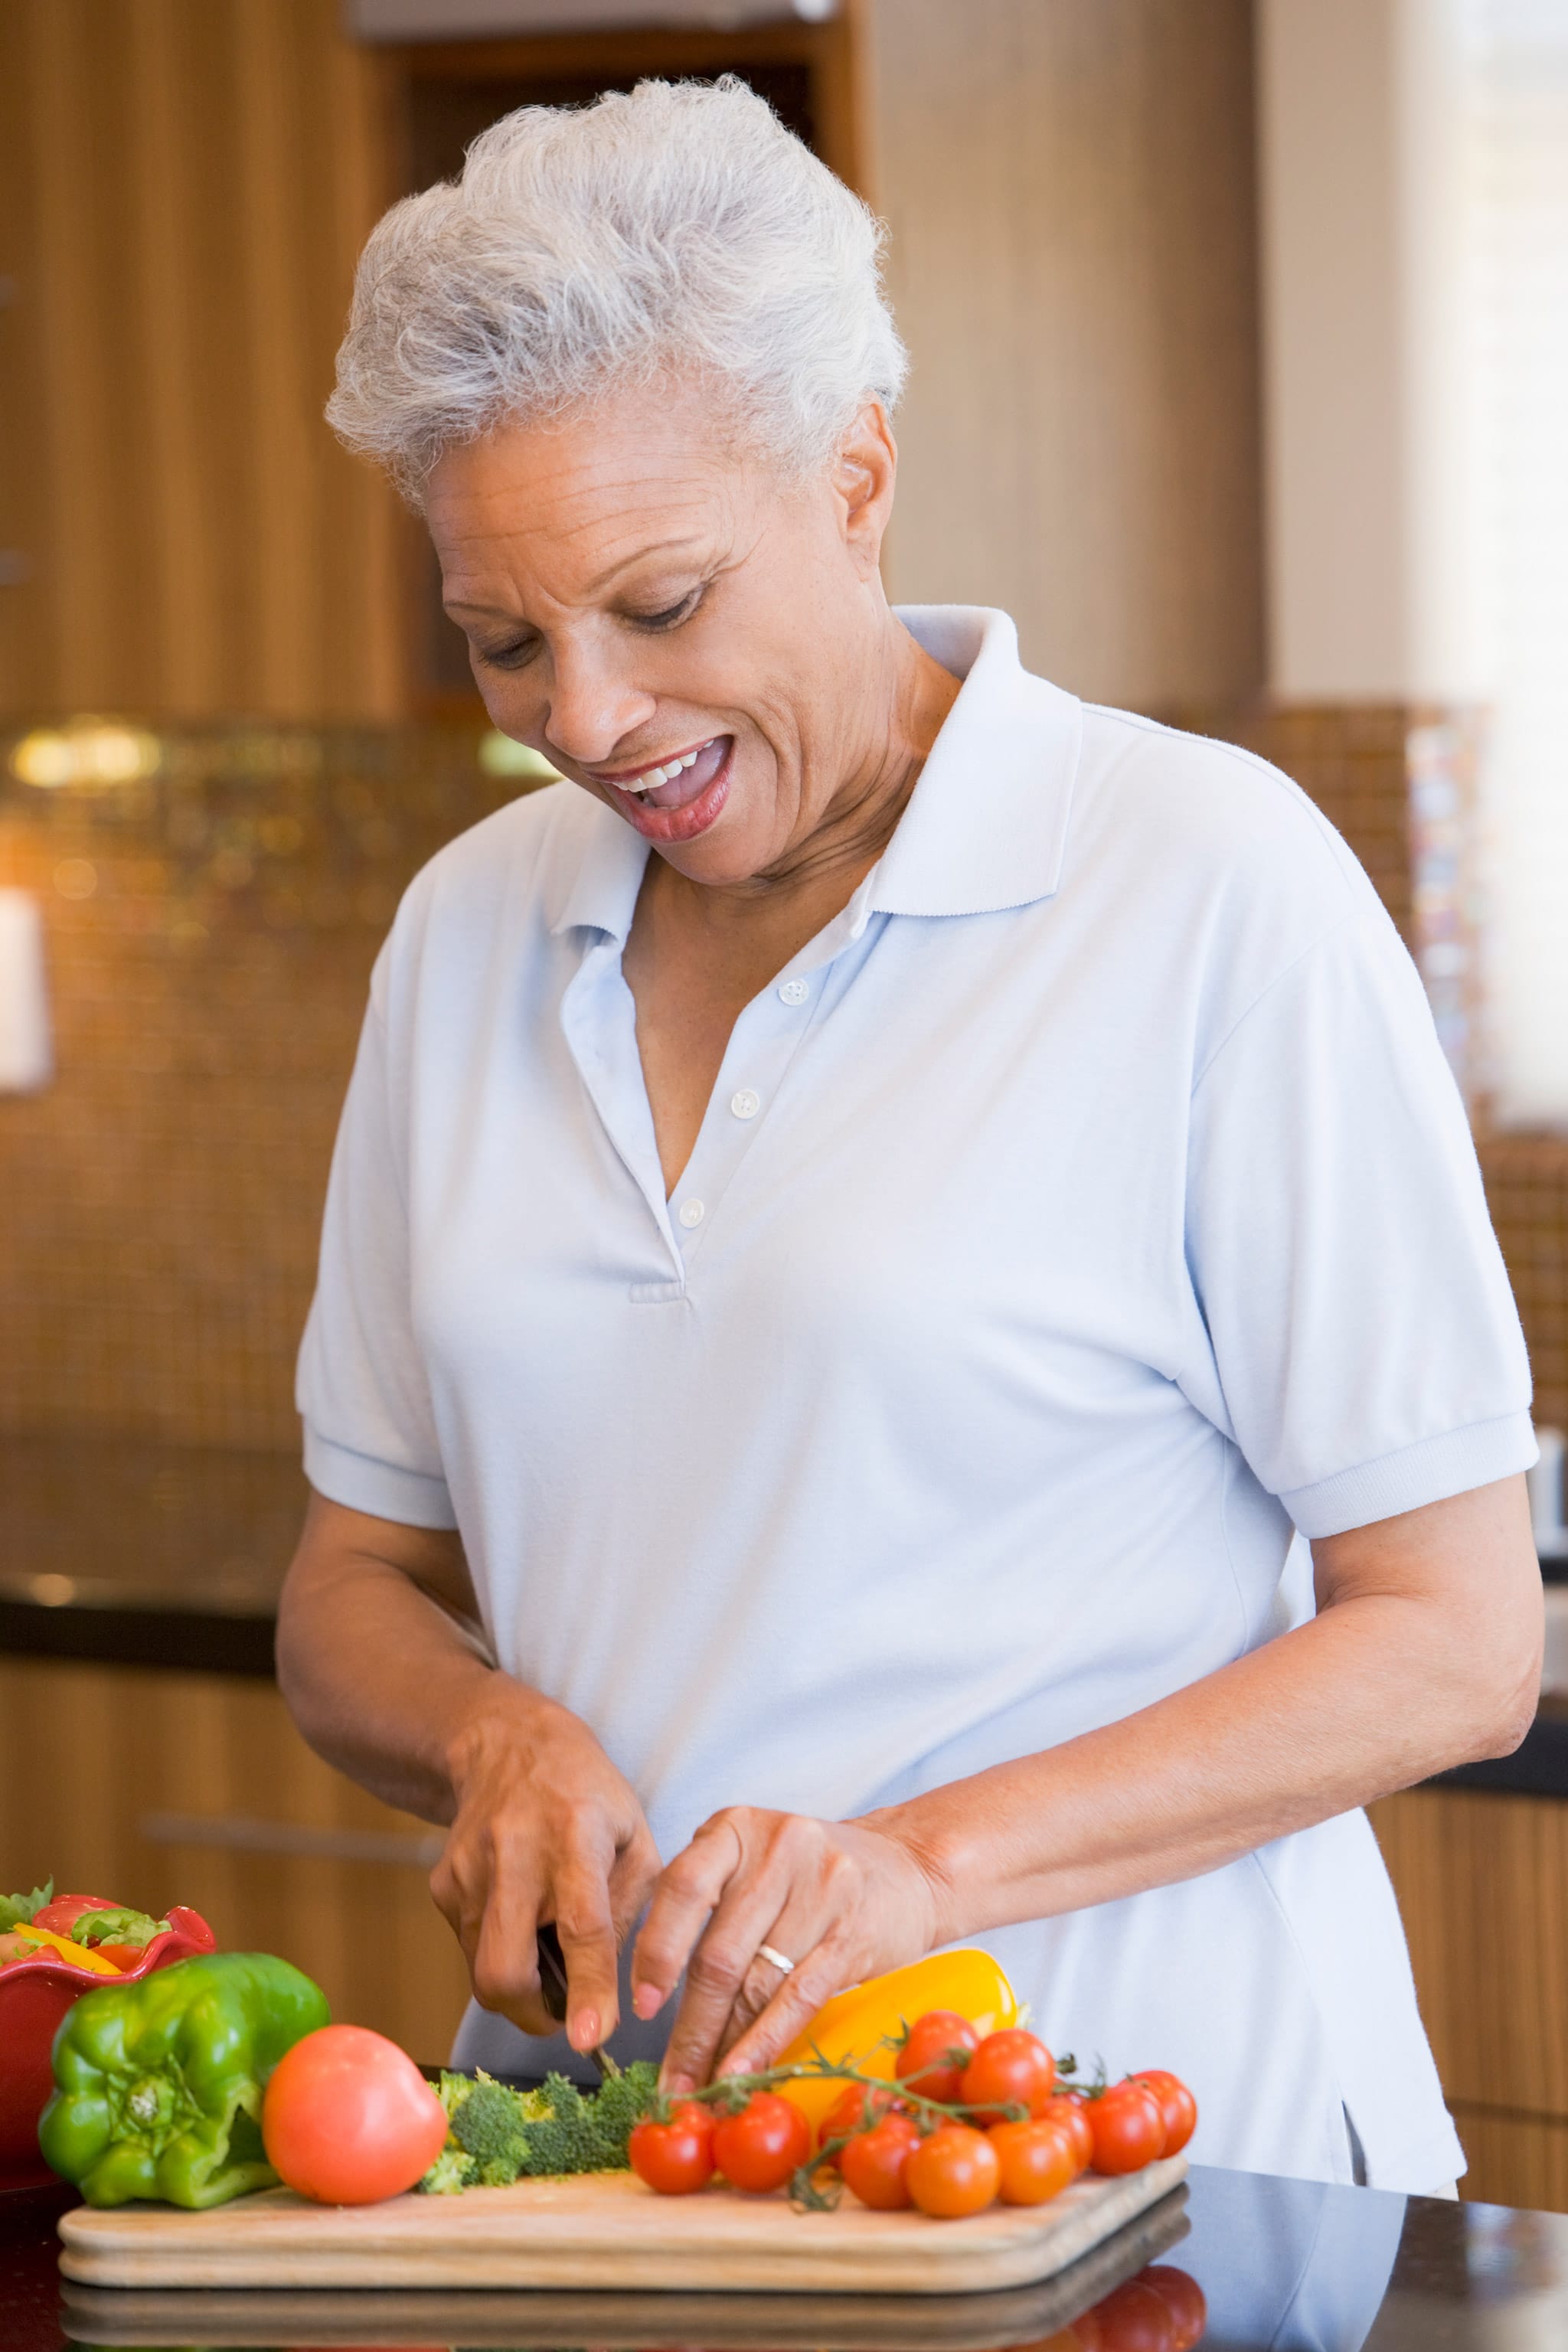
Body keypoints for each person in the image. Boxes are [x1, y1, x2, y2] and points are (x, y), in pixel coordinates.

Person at [278, 77, 1542, 2192]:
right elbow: (354, 1582)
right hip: (635, 2163)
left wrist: (923, 1867)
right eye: (505, 639)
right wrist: (486, 1729)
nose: (584, 719)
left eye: (661, 605)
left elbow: (1459, 1636)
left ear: (857, 475)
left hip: (1140, 2153)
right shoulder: (465, 938)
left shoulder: (1201, 883)